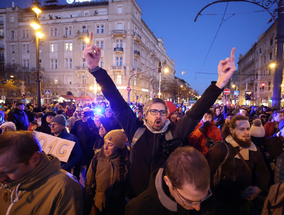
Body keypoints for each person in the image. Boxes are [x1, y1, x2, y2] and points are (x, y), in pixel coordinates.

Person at [83, 32, 236, 197]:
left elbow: (197, 111)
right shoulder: (135, 130)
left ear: (167, 115)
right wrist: (95, 69)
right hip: (134, 197)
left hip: (165, 200)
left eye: (163, 112)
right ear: (146, 114)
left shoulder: (175, 133)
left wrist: (220, 83)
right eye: (154, 111)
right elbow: (115, 99)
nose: (159, 116)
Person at [0, 131, 83, 215]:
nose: (1, 179)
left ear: (35, 159)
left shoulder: (64, 187)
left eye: (9, 171)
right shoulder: (7, 180)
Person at [206, 115, 270, 215]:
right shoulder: (221, 148)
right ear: (231, 130)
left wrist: (258, 188)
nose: (246, 132)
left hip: (245, 204)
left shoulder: (254, 149)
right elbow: (205, 174)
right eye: (241, 129)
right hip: (222, 204)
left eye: (248, 129)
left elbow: (264, 172)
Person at [125, 146, 211, 214]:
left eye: (203, 198)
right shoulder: (138, 210)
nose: (198, 208)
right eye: (188, 201)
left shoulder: (199, 189)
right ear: (168, 182)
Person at [85, 129, 130, 215]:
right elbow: (89, 181)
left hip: (118, 206)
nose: (105, 147)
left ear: (118, 147)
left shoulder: (127, 160)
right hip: (99, 204)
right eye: (105, 143)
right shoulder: (97, 158)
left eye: (110, 145)